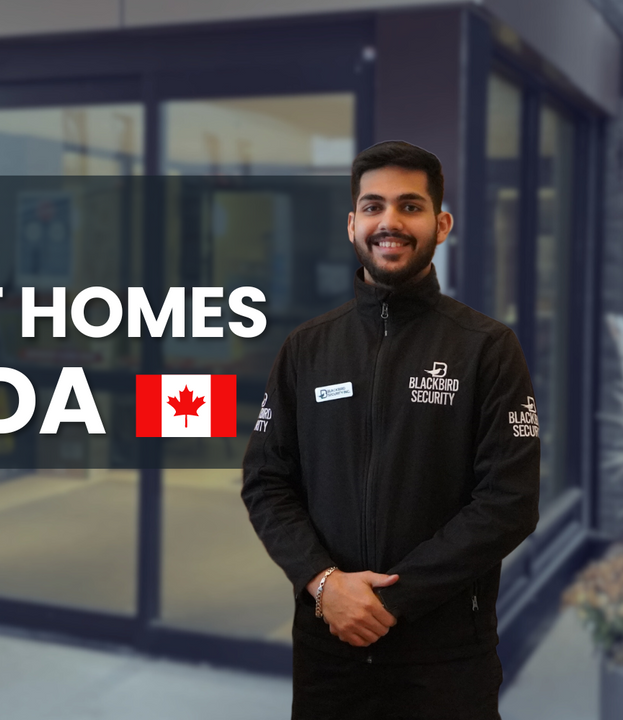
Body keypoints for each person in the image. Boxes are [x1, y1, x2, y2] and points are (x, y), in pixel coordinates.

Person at [241, 140, 540, 720]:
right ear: (353, 223)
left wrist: (389, 600)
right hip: (331, 654)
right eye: (373, 206)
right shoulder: (307, 348)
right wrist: (325, 584)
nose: (390, 222)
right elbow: (266, 481)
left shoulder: (486, 348)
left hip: (446, 657)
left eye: (410, 206)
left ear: (441, 223)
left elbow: (509, 503)